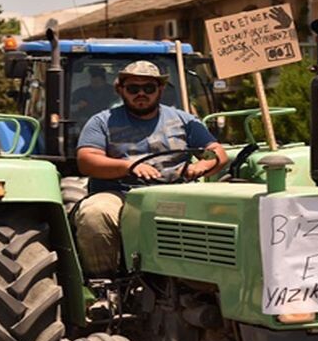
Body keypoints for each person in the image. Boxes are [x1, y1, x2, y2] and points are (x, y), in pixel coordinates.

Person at [74, 60, 229, 276]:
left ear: (160, 90)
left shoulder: (184, 120)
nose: (141, 94)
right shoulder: (101, 122)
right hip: (122, 193)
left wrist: (204, 164)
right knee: (94, 214)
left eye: (148, 88)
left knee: (225, 213)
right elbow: (87, 160)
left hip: (177, 192)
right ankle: (105, 284)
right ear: (120, 90)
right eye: (133, 88)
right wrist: (128, 167)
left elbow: (217, 153)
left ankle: (210, 281)